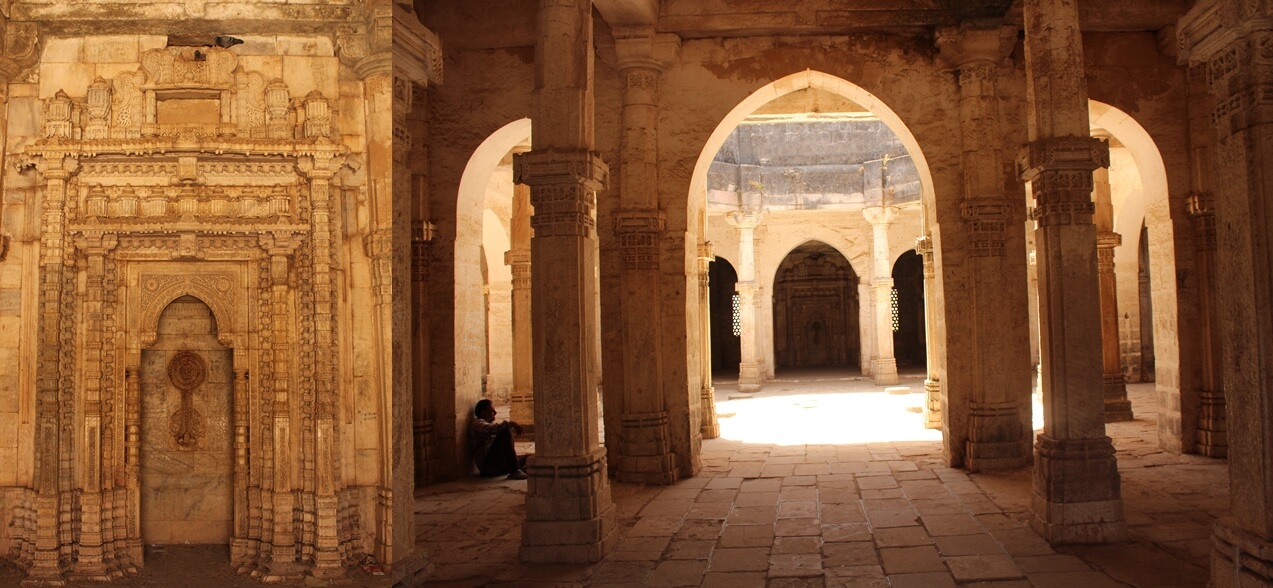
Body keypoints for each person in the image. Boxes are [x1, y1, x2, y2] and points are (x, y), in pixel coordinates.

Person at [470, 399, 529, 480]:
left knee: (528, 457)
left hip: (496, 463)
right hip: (488, 466)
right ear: (483, 413)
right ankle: (514, 470)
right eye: (492, 411)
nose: (495, 413)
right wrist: (512, 424)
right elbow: (491, 429)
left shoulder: (487, 423)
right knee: (504, 431)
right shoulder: (477, 424)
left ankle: (520, 468)